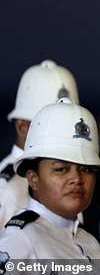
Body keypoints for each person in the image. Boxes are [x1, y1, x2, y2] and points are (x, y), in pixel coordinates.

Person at [0, 98, 100, 274]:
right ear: (33, 178)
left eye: (86, 169)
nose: (76, 178)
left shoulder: (87, 241)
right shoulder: (21, 240)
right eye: (61, 169)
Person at [0, 60, 79, 228]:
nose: (62, 133)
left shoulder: (73, 178)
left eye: (67, 124)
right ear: (22, 127)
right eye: (49, 124)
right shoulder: (5, 191)